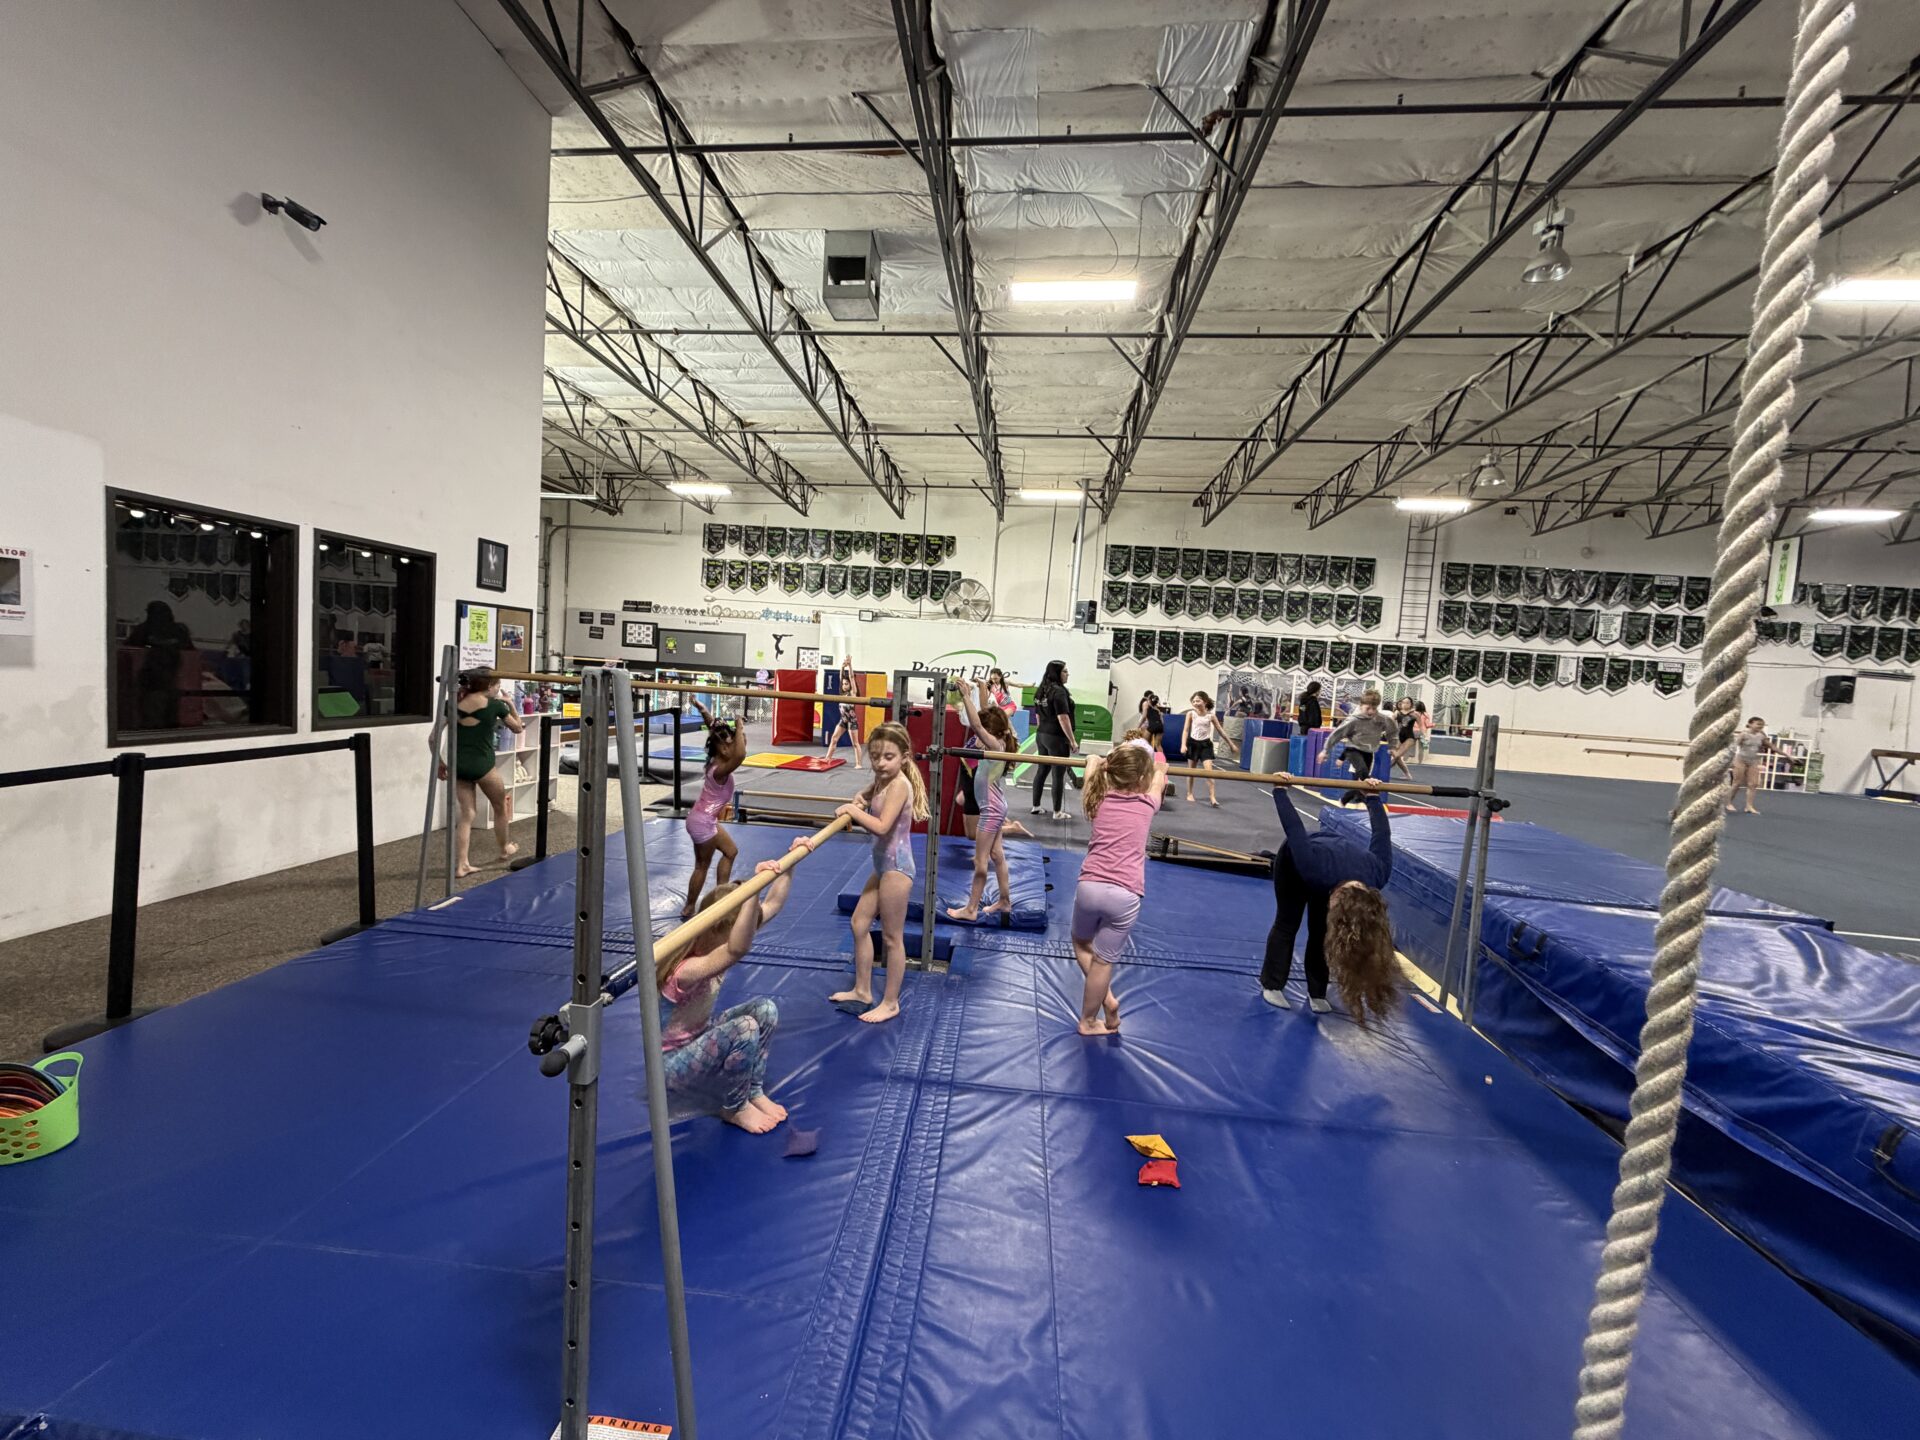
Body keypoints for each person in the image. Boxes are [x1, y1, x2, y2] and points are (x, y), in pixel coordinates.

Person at [658, 843, 806, 1134]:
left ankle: (753, 1091)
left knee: (765, 1009)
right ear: (716, 930)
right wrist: (751, 893)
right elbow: (737, 948)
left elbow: (772, 906)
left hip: (700, 1039)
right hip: (669, 1067)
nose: (745, 936)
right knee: (745, 1027)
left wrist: (789, 865)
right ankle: (734, 1107)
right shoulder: (686, 969)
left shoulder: (719, 937)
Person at [1260, 780, 1399, 1026]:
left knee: (1321, 931)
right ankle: (1272, 984)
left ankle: (1317, 991)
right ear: (1335, 899)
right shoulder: (1313, 868)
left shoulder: (1377, 874)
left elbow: (1382, 834)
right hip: (1296, 859)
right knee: (1287, 922)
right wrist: (1280, 791)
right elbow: (1295, 830)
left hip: (1334, 864)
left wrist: (1373, 799)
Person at [830, 722, 929, 1024]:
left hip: (897, 868)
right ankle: (862, 990)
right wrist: (861, 797)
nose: (880, 763)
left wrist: (852, 810)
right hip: (882, 864)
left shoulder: (900, 785)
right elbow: (870, 792)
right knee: (859, 923)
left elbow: (883, 826)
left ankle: (890, 1002)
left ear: (904, 757)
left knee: (891, 937)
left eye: (888, 756)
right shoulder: (883, 779)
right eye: (875, 756)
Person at [1073, 739, 1167, 1036]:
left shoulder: (1098, 796)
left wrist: (1096, 759)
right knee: (1104, 961)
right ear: (1142, 779)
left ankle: (1103, 1007)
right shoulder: (1148, 803)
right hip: (1126, 895)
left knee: (1081, 944)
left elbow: (1091, 766)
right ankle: (1094, 1014)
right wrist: (1156, 760)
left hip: (1090, 887)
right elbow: (1162, 770)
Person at [441, 669, 525, 878]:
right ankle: (505, 848)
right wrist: (511, 704)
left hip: (459, 766)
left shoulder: (451, 703)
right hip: (483, 767)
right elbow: (518, 728)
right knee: (500, 808)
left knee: (467, 814)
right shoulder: (496, 705)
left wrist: (440, 764)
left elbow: (433, 738)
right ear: (489, 686)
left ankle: (461, 865)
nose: (498, 689)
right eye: (497, 685)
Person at [947, 679, 1016, 922]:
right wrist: (983, 693)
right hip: (998, 805)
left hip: (991, 810)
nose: (980, 736)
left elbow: (977, 724)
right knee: (998, 856)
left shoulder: (994, 744)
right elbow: (986, 717)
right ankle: (1005, 901)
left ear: (992, 733)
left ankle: (971, 909)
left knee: (980, 861)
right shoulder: (1001, 739)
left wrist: (966, 696)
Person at [681, 698, 746, 917]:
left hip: (703, 818)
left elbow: (714, 729)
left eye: (730, 743)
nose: (730, 747)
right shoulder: (721, 769)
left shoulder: (715, 760)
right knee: (702, 865)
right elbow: (740, 754)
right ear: (720, 749)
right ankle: (690, 907)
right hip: (702, 823)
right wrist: (739, 725)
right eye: (726, 745)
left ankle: (721, 897)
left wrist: (703, 710)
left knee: (730, 851)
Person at [127, 599, 195, 729]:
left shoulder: (144, 629)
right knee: (169, 712)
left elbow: (129, 647)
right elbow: (190, 651)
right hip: (173, 678)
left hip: (152, 679)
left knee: (152, 713)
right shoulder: (179, 630)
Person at [1323, 689, 1395, 800]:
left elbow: (1392, 731)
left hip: (1369, 751)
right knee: (1363, 772)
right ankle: (1366, 786)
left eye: (1374, 708)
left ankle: (1349, 796)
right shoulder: (1353, 720)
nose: (1371, 711)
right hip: (1353, 749)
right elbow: (1336, 735)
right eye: (1368, 708)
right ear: (1361, 706)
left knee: (1361, 781)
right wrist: (1325, 751)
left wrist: (1393, 746)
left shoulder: (1382, 719)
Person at [1029, 659, 1078, 820]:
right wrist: (1072, 740)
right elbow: (1063, 718)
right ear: (1057, 673)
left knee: (1042, 770)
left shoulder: (1042, 690)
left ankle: (1036, 806)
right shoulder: (1059, 692)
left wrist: (1041, 731)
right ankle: (1057, 812)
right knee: (1058, 774)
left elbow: (1037, 714)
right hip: (1056, 737)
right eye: (1065, 671)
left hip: (1042, 735)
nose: (1068, 674)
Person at [1181, 692, 1236, 806]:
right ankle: (1190, 793)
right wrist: (1183, 745)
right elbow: (1186, 730)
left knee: (1209, 772)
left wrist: (1231, 744)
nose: (1195, 703)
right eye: (1194, 701)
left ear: (1205, 702)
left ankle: (1212, 797)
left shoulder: (1210, 716)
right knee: (1191, 771)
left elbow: (1220, 730)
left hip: (1206, 745)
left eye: (1198, 701)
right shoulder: (1191, 714)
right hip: (1193, 744)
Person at [823, 659, 865, 769]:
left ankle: (858, 763)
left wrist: (850, 666)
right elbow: (841, 677)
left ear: (850, 685)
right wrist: (842, 667)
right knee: (834, 739)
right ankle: (828, 758)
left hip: (852, 721)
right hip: (843, 720)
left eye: (846, 684)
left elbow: (851, 677)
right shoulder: (842, 694)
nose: (844, 685)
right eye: (843, 684)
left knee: (855, 743)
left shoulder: (853, 694)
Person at [1727, 716, 1774, 815]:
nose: (1760, 726)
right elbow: (1734, 747)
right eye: (1758, 724)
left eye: (1762, 725)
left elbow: (1770, 746)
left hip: (1753, 761)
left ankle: (1749, 806)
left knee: (1753, 784)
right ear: (1750, 724)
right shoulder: (1743, 734)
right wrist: (1729, 760)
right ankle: (1728, 803)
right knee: (1737, 783)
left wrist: (1787, 755)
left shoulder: (1761, 735)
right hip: (1740, 760)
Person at [1389, 697, 1420, 779]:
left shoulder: (1415, 714)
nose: (1405, 704)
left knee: (1396, 755)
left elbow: (1421, 726)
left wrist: (1424, 736)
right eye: (1403, 702)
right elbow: (1390, 723)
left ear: (1411, 704)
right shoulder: (1397, 713)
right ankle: (1408, 775)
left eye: (1407, 703)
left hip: (1409, 737)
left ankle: (1384, 770)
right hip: (1398, 736)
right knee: (1397, 757)